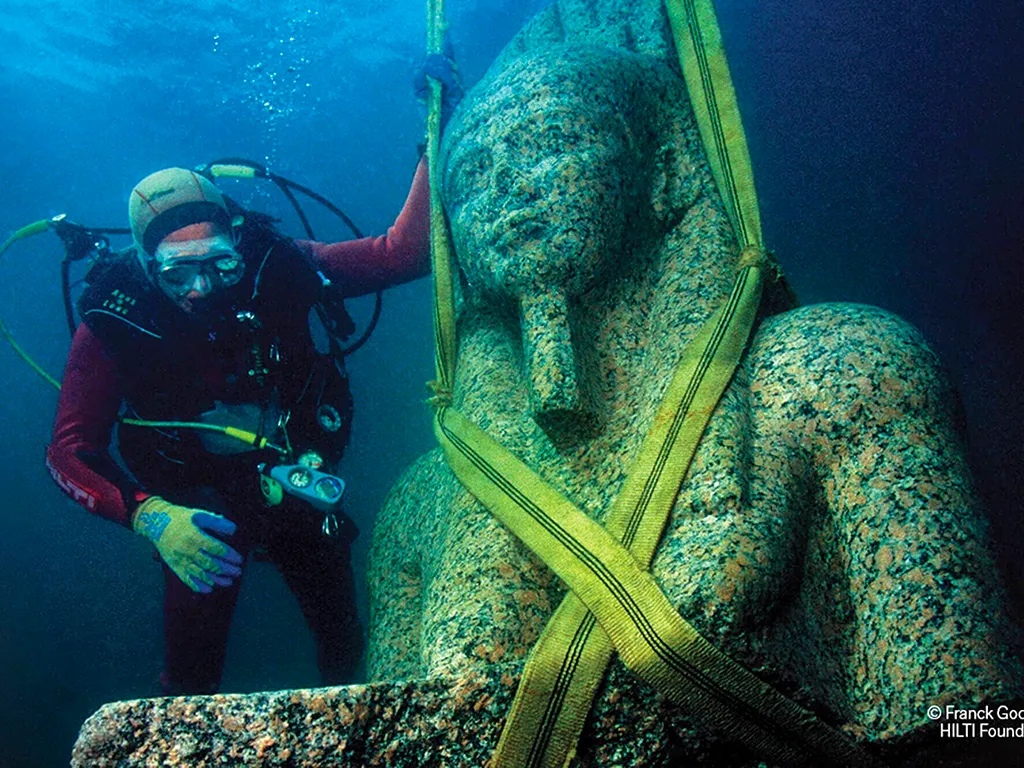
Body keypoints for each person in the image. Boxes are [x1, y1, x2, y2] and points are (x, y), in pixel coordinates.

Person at [46, 56, 462, 696]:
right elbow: (69, 451)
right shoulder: (113, 318)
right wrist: (150, 517)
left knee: (343, 643)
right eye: (175, 273)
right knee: (190, 677)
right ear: (144, 265)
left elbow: (401, 254)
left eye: (218, 263)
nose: (201, 288)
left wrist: (436, 130)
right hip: (192, 508)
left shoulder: (281, 265)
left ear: (239, 236)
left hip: (292, 479)